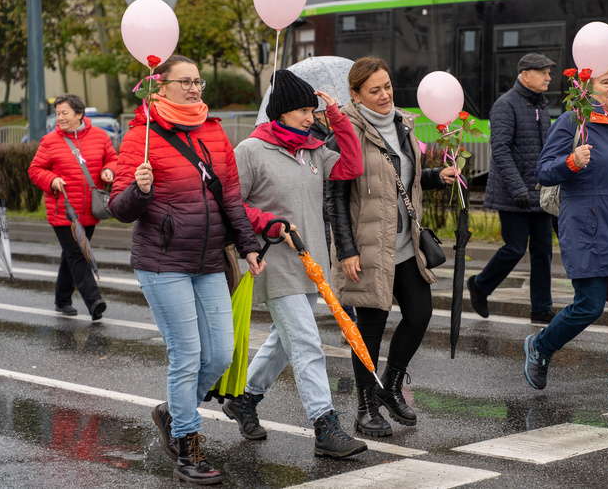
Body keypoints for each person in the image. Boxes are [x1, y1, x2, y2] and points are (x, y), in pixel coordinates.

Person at [109, 55, 265, 485]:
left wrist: (249, 246)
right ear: (160, 87)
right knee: (187, 354)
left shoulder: (214, 131)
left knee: (221, 354)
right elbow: (117, 208)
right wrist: (139, 192)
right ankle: (187, 450)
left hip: (210, 259)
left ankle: (171, 413)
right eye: (185, 81)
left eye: (198, 81)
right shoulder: (140, 136)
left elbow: (230, 197)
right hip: (163, 264)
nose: (195, 88)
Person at [223, 69, 366, 458]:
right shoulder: (251, 150)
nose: (310, 117)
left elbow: (353, 167)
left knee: (283, 343)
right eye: (303, 110)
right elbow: (231, 203)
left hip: (312, 261)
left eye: (312, 110)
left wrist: (336, 117)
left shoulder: (313, 149)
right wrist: (267, 223)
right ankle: (325, 426)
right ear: (281, 112)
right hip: (275, 262)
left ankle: (244, 399)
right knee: (305, 342)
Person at [327, 56, 455, 437]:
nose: (384, 95)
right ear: (355, 94)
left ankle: (391, 386)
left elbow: (402, 179)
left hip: (404, 244)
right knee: (369, 329)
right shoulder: (343, 131)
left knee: (419, 314)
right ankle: (365, 406)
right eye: (374, 90)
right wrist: (346, 250)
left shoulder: (401, 124)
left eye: (387, 87)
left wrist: (436, 176)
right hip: (365, 248)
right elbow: (333, 197)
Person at [525, 63, 608, 403]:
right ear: (589, 88)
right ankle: (541, 346)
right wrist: (571, 162)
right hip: (588, 228)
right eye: (606, 82)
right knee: (589, 305)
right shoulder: (573, 121)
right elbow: (543, 171)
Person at [467, 53, 555, 324]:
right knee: (515, 248)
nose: (549, 77)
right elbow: (500, 151)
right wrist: (518, 188)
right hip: (513, 193)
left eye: (549, 73)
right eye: (543, 73)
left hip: (539, 191)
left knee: (543, 251)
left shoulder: (541, 105)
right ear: (525, 74)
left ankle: (541, 308)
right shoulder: (506, 104)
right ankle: (480, 285)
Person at [28, 93, 117, 321]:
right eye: (57, 113)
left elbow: (114, 159)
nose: (60, 118)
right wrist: (52, 180)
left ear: (79, 114)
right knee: (78, 253)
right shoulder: (50, 141)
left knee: (71, 254)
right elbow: (35, 170)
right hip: (63, 211)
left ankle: (62, 299)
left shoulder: (100, 137)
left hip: (90, 210)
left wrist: (110, 170)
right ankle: (94, 301)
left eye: (64, 113)